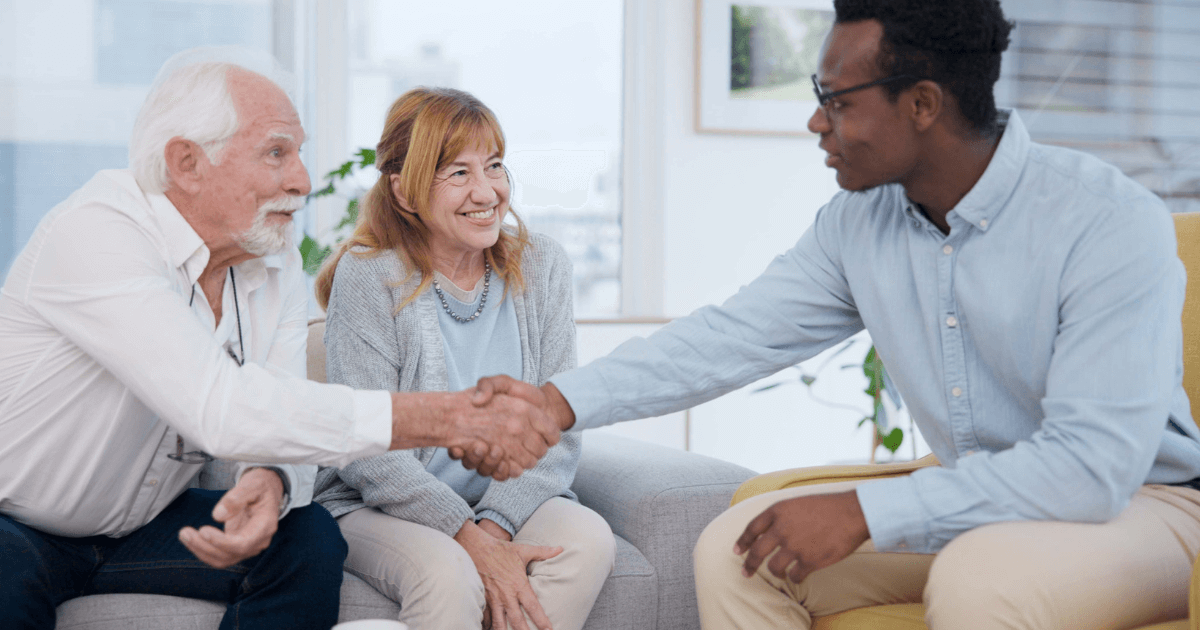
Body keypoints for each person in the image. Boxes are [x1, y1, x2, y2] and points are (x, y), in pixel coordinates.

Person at [471, 0, 1200, 628]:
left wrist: (864, 512)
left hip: (1145, 509)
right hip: (978, 503)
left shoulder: (1105, 222)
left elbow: (1090, 468)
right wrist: (556, 402)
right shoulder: (859, 225)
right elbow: (731, 337)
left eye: (838, 100)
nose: (817, 122)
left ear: (922, 103)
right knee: (740, 556)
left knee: (984, 576)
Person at [0, 48, 560, 630]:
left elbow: (282, 409)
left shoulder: (271, 260)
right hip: (18, 523)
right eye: (275, 153)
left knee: (306, 536)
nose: (302, 180)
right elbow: (218, 407)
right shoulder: (97, 234)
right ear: (187, 163)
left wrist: (269, 480)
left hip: (145, 524)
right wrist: (449, 418)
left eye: (299, 152)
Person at [312, 87, 615, 630]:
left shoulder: (541, 263)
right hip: (379, 506)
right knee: (448, 573)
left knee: (587, 540)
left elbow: (558, 422)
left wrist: (495, 529)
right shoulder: (369, 275)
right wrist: (465, 534)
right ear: (405, 192)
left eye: (494, 166)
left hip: (505, 502)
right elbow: (367, 449)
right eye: (457, 173)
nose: (487, 191)